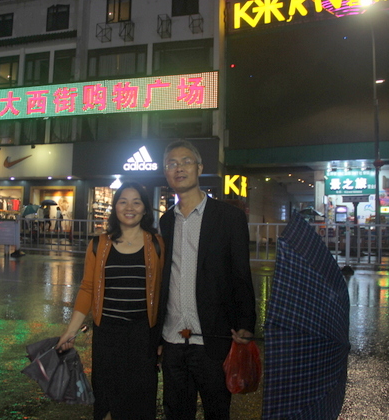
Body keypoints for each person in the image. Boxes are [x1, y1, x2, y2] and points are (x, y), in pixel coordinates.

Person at [157, 139, 256, 420]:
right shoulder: (166, 222)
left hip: (213, 340)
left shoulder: (229, 218)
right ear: (166, 173)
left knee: (217, 411)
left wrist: (245, 324)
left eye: (186, 162)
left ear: (199, 168)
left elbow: (241, 274)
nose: (179, 168)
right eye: (171, 164)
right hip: (173, 340)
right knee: (176, 413)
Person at [57, 181, 164, 420]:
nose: (130, 207)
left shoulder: (157, 244)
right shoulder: (99, 244)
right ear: (115, 207)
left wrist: (162, 338)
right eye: (123, 201)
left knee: (139, 402)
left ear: (145, 209)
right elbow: (87, 288)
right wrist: (71, 331)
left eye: (136, 202)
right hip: (107, 336)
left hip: (143, 337)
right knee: (107, 402)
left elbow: (163, 291)